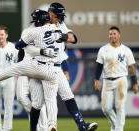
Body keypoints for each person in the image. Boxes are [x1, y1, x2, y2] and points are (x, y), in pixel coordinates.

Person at [0, 10, 61, 131]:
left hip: (38, 65)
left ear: (39, 21)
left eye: (35, 20)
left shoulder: (35, 30)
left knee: (14, 68)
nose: (34, 22)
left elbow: (18, 45)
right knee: (49, 100)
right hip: (53, 70)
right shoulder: (57, 29)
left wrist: (40, 51)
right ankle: (52, 124)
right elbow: (66, 37)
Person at [27, 3, 98, 131]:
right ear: (50, 13)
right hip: (40, 66)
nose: (60, 18)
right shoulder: (38, 24)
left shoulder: (60, 25)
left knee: (68, 95)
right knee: (37, 104)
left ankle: (81, 125)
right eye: (58, 15)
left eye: (61, 16)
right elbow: (26, 45)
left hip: (55, 67)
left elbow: (73, 38)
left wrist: (61, 36)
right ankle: (35, 129)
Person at [94, 26, 139, 131]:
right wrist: (96, 80)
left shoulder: (126, 50)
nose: (112, 35)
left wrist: (135, 83)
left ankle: (119, 129)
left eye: (114, 33)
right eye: (110, 34)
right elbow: (99, 66)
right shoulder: (103, 49)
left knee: (120, 106)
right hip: (107, 80)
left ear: (119, 35)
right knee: (105, 108)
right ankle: (115, 124)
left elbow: (131, 67)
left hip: (121, 80)